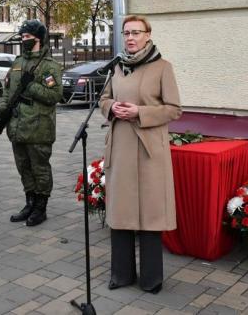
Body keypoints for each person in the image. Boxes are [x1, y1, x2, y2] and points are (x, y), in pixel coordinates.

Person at [99, 15, 181, 294]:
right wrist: (111, 107)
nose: (130, 38)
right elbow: (103, 99)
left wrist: (140, 112)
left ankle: (151, 278)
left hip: (149, 150)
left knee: (150, 214)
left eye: (136, 32)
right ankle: (121, 274)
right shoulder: (118, 67)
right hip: (120, 146)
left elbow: (174, 109)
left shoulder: (162, 67)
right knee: (120, 212)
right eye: (126, 33)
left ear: (148, 35)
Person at [0, 19, 62, 227]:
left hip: (38, 127)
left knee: (40, 168)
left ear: (39, 39)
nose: (24, 40)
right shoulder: (17, 63)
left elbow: (55, 95)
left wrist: (32, 86)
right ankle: (29, 202)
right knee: (23, 167)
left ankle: (40, 207)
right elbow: (7, 89)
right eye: (22, 37)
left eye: (27, 37)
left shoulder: (48, 66)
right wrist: (3, 107)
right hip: (17, 125)